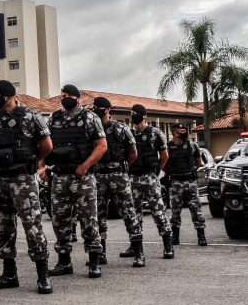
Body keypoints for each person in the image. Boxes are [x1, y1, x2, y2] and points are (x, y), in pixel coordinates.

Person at [0, 80, 54, 295]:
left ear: (8, 95)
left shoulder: (31, 116)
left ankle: (43, 275)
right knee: (4, 227)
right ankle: (9, 274)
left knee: (32, 227)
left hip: (23, 178)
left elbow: (47, 146)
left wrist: (31, 162)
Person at [42, 85, 107, 278]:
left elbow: (101, 146)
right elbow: (43, 144)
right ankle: (64, 262)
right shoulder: (54, 118)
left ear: (78, 98)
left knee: (89, 220)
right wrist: (41, 167)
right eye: (63, 96)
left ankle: (94, 261)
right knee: (60, 221)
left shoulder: (89, 118)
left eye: (69, 96)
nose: (66, 98)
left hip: (82, 178)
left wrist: (84, 166)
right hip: (59, 177)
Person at [90, 97, 144, 267]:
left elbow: (133, 152)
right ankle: (101, 254)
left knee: (128, 213)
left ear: (108, 109)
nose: (96, 110)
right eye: (94, 107)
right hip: (98, 176)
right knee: (98, 216)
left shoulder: (120, 128)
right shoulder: (91, 127)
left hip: (118, 175)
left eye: (99, 107)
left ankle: (138, 253)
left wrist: (122, 168)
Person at [125, 104, 174, 260]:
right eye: (132, 113)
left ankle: (168, 245)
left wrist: (156, 171)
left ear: (144, 115)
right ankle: (135, 246)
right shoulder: (129, 132)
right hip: (133, 177)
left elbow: (164, 155)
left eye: (136, 113)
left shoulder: (154, 133)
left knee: (158, 211)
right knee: (134, 213)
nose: (133, 115)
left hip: (149, 176)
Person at [164, 124, 207, 247]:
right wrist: (171, 172)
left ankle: (201, 236)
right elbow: (163, 162)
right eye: (182, 131)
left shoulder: (192, 145)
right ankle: (175, 237)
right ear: (176, 133)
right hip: (176, 182)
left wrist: (190, 171)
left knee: (196, 209)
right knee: (175, 211)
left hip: (190, 181)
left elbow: (198, 162)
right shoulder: (168, 147)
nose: (185, 132)